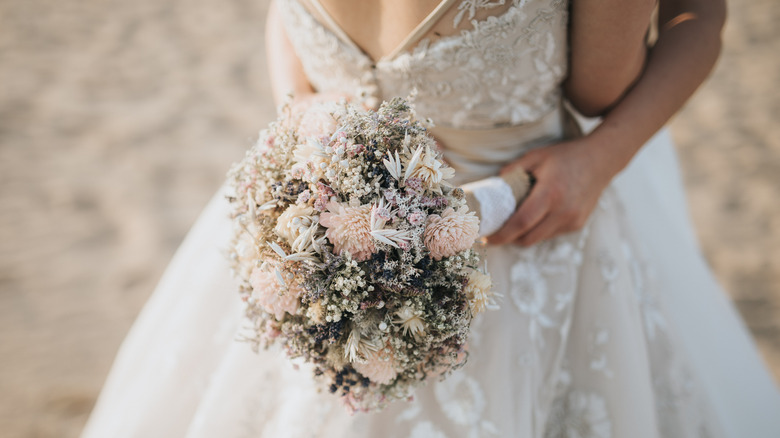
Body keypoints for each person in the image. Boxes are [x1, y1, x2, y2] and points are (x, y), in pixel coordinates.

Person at [81, 0, 780, 437]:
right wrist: (602, 157)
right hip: (525, 239)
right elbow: (619, 76)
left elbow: (285, 21)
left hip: (316, 225)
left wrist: (302, 114)